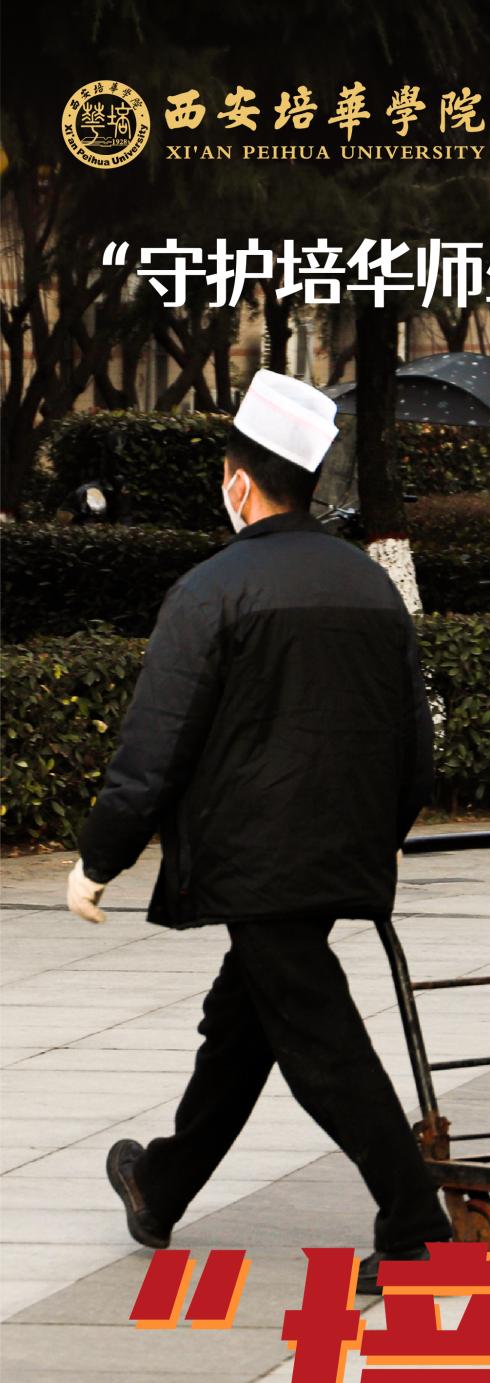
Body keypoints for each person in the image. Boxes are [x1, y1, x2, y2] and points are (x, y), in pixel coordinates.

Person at [66, 369, 452, 1294]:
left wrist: (98, 858)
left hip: (252, 858)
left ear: (239, 483)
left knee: (319, 1038)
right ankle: (162, 1185)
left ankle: (419, 1230)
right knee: (246, 1018)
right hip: (338, 850)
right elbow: (416, 742)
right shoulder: (370, 586)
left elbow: (156, 743)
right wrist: (380, 831)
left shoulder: (212, 590)